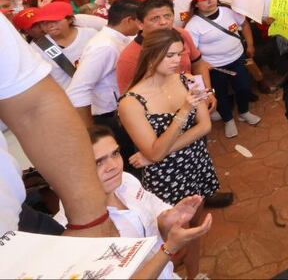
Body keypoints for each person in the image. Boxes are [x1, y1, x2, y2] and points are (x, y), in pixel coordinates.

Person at [0, 15, 118, 238]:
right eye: (43, 22)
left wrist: (91, 219)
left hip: (12, 224)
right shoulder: (40, 47)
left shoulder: (90, 35)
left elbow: (34, 108)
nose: (48, 25)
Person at [118, 29, 218, 276]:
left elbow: (205, 125)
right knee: (167, 238)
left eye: (180, 54)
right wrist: (184, 111)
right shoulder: (131, 102)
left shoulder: (187, 79)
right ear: (151, 57)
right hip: (165, 177)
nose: (178, 60)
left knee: (195, 227)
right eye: (170, 55)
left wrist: (156, 153)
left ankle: (194, 274)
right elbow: (155, 151)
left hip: (196, 163)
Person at [61, 126, 213, 279]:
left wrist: (168, 218)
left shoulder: (125, 180)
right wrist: (169, 248)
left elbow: (153, 206)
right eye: (98, 162)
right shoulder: (74, 230)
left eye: (115, 153)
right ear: (76, 171)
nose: (113, 166)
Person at [184, 0, 261, 138]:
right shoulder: (192, 26)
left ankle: (244, 112)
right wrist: (203, 65)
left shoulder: (229, 11)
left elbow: (244, 25)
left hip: (237, 58)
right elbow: (193, 51)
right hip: (214, 67)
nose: (210, 0)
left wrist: (250, 45)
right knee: (220, 93)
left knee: (243, 87)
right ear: (196, 3)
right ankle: (228, 120)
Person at [66, 0, 142, 133]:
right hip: (108, 115)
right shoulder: (105, 47)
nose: (142, 25)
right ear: (129, 20)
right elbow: (78, 90)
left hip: (120, 110)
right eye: (140, 21)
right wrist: (91, 131)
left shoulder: (118, 38)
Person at [31, 1, 100, 90]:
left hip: (99, 92)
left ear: (70, 19)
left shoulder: (90, 34)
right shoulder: (37, 48)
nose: (50, 25)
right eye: (44, 23)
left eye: (55, 20)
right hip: (68, 98)